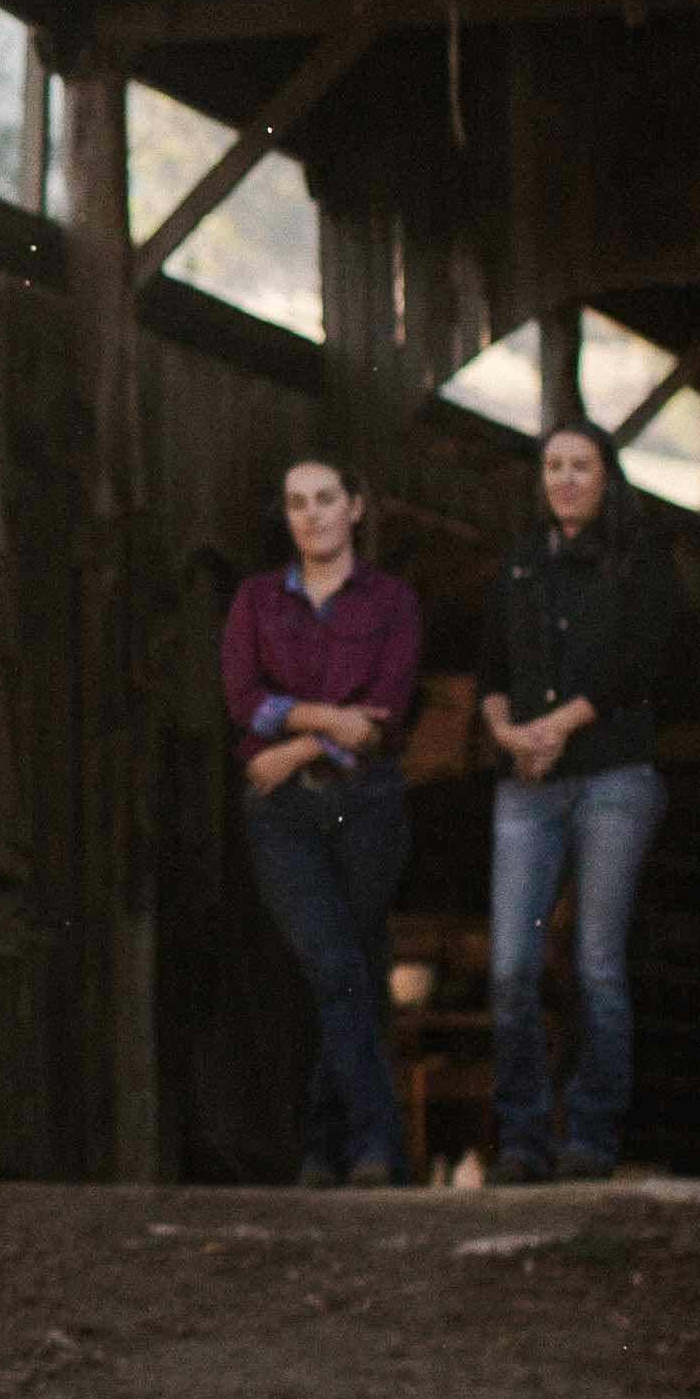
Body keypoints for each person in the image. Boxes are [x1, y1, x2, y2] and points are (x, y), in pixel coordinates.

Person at [482, 424, 677, 1181]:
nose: (565, 479)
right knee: (511, 965)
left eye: (581, 466)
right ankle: (523, 1138)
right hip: (527, 779)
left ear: (607, 478)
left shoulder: (641, 561)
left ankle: (590, 1134)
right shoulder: (520, 563)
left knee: (597, 959)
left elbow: (643, 664)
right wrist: (509, 733)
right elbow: (491, 666)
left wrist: (557, 727)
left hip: (612, 776)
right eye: (554, 466)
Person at [225, 456, 425, 1187]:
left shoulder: (392, 604)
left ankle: (322, 1149)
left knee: (354, 969)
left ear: (356, 507)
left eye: (326, 500)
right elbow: (245, 699)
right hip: (285, 814)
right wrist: (329, 722)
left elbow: (384, 717)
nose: (311, 515)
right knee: (335, 965)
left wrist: (297, 742)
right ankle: (376, 1146)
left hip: (366, 802)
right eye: (297, 504)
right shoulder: (255, 602)